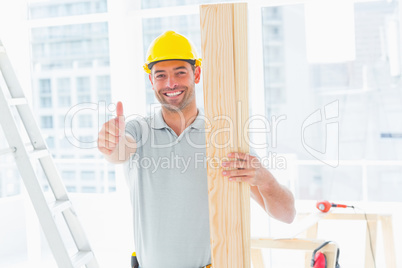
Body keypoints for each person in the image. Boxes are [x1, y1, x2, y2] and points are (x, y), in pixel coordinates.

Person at [97, 30, 296, 268]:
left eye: (180, 73)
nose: (171, 83)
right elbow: (119, 151)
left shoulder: (223, 137)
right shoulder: (137, 131)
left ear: (197, 74)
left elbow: (287, 215)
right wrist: (111, 144)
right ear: (151, 80)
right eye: (161, 75)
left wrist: (265, 179)